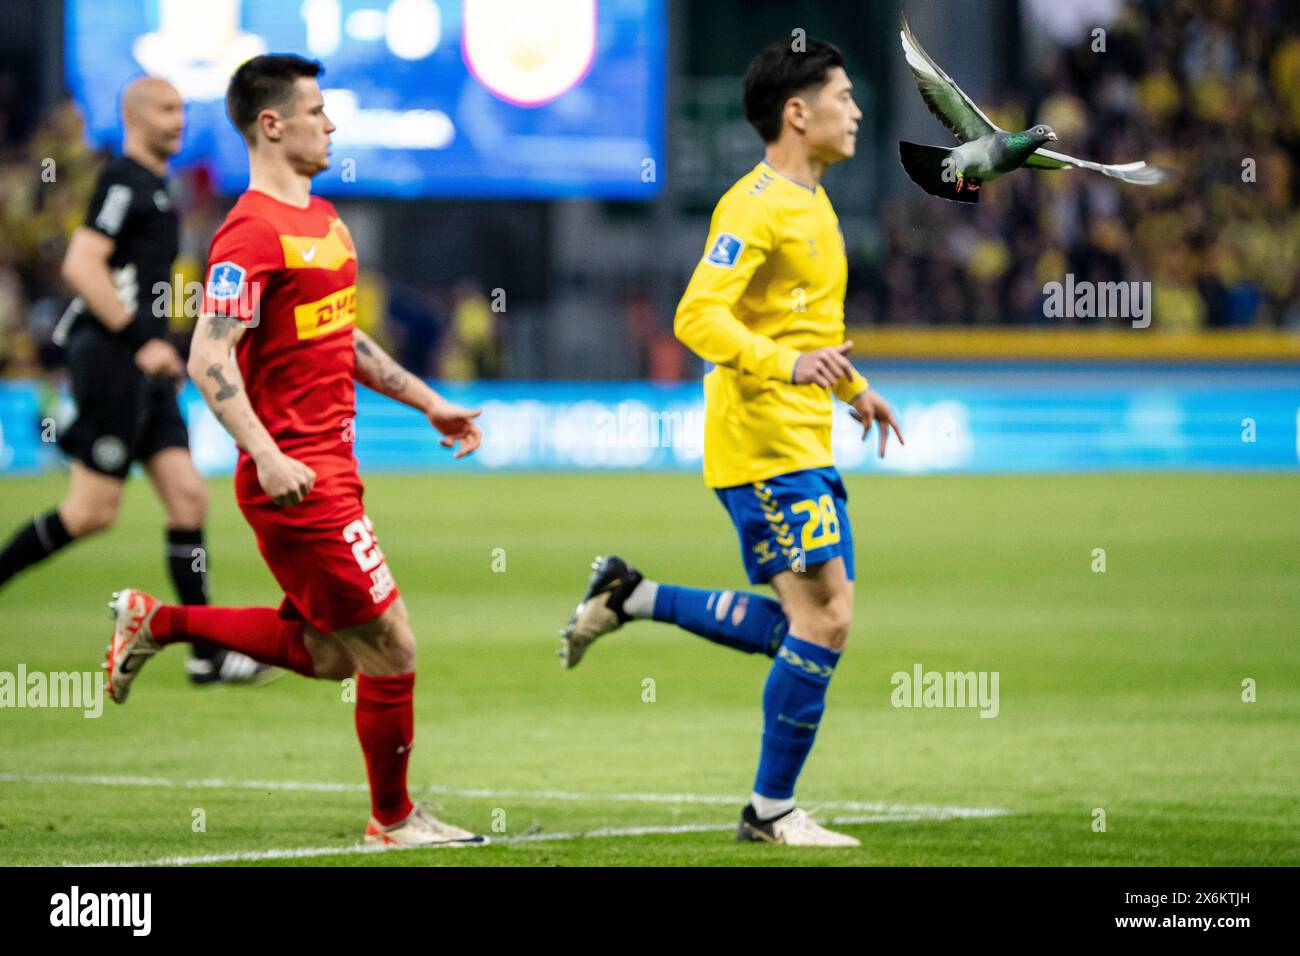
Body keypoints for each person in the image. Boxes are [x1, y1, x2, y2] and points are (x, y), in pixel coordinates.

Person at [102, 55, 487, 847]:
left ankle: (159, 620)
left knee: (329, 651)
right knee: (392, 644)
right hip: (297, 478)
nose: (331, 124)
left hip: (335, 469)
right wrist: (266, 454)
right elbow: (210, 358)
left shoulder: (325, 220)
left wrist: (429, 402)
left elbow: (342, 336)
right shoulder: (248, 232)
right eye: (316, 110)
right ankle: (394, 819)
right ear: (271, 124)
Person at [560, 38, 904, 847]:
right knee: (827, 623)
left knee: (809, 627)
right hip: (760, 448)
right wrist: (790, 364)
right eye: (843, 96)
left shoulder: (814, 201)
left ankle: (630, 595)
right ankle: (770, 811)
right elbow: (696, 317)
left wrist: (857, 389)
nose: (856, 110)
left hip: (801, 440)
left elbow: (811, 330)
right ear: (798, 111)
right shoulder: (754, 205)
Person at [0, 76, 267, 685]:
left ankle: (205, 650)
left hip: (147, 367)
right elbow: (81, 262)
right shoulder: (123, 180)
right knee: (92, 510)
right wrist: (140, 340)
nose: (179, 120)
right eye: (167, 109)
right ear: (136, 117)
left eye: (181, 109)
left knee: (189, 497)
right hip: (114, 363)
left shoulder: (158, 187)